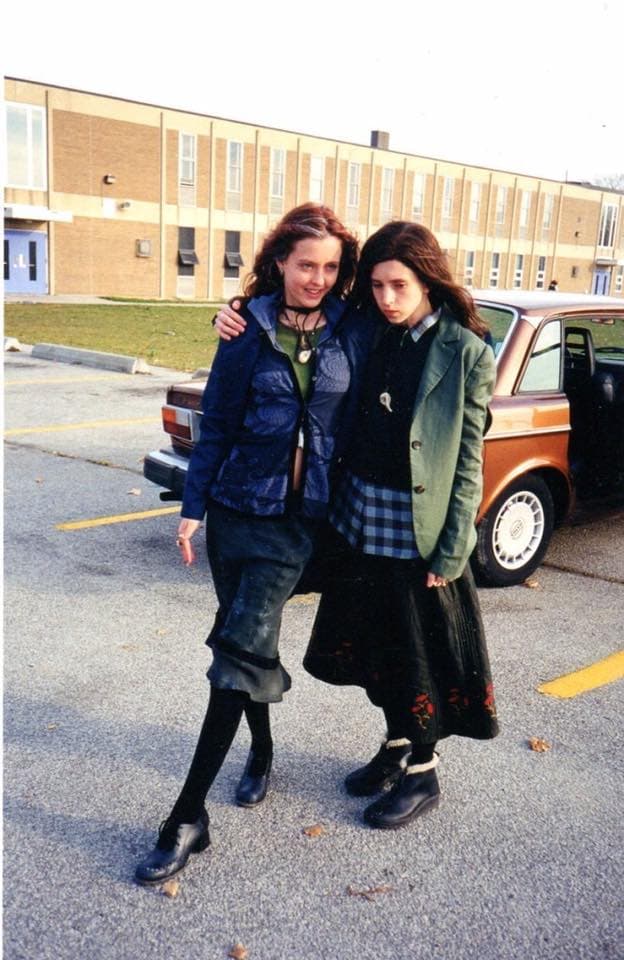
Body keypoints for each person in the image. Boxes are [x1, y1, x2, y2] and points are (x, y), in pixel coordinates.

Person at [215, 221, 499, 831]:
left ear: (429, 281)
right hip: (356, 519)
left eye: (400, 286)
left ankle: (423, 770)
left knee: (416, 652)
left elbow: (468, 460)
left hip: (415, 530)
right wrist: (233, 311)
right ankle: (395, 745)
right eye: (376, 285)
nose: (387, 298)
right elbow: (296, 309)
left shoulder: (465, 351)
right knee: (378, 647)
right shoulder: (369, 328)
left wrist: (453, 548)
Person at [135, 203, 361, 885]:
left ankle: (185, 817)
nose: (317, 279)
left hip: (299, 524)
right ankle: (261, 750)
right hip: (236, 513)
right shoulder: (244, 329)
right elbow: (218, 425)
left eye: (330, 267)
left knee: (237, 654)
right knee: (247, 644)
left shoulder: (353, 328)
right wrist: (192, 509)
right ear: (281, 262)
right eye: (306, 265)